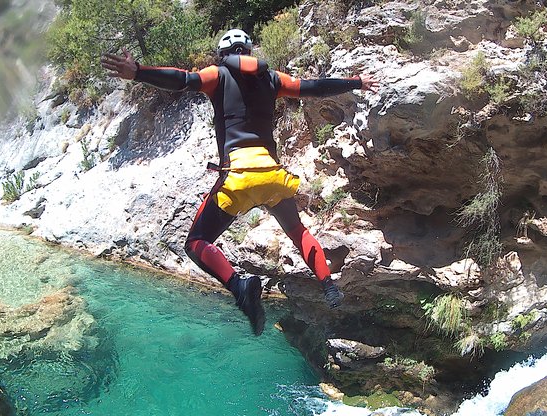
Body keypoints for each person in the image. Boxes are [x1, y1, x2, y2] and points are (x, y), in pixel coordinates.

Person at [101, 29, 379, 336]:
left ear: (223, 54)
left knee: (195, 243)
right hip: (272, 176)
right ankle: (328, 286)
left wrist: (139, 72)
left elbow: (181, 80)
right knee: (298, 231)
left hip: (237, 177)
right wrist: (357, 82)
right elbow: (314, 87)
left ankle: (239, 287)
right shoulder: (272, 79)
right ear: (248, 49)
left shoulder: (216, 75)